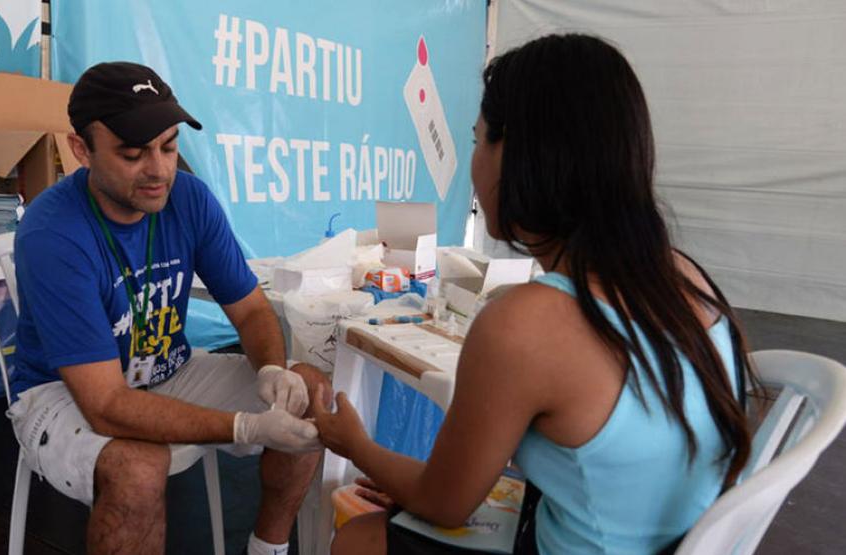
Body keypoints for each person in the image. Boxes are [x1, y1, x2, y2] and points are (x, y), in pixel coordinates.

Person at [312, 34, 759, 555]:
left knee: (358, 541)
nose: (475, 163)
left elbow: (444, 502)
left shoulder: (525, 323)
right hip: (671, 539)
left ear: (515, 155)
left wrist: (354, 444)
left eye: (478, 141)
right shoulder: (685, 277)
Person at [8, 61, 331, 555]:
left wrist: (271, 366)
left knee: (308, 391)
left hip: (165, 369)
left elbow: (250, 310)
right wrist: (243, 426)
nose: (159, 170)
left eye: (169, 146)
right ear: (81, 150)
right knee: (138, 469)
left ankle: (268, 549)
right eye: (133, 153)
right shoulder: (53, 233)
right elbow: (107, 405)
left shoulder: (190, 199)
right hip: (63, 393)